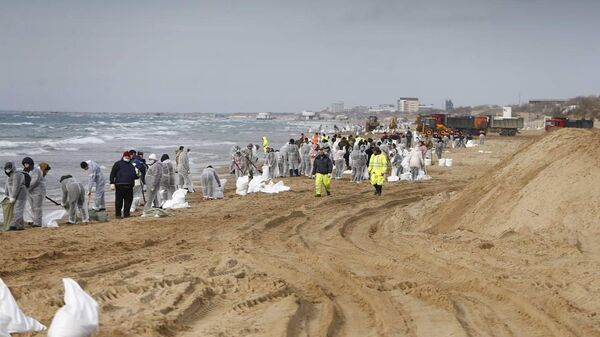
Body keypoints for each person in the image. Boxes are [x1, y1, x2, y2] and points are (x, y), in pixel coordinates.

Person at [109, 151, 137, 218]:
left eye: (128, 157)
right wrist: (112, 182)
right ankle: (118, 215)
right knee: (119, 201)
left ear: (129, 157)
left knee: (128, 201)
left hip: (129, 185)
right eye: (126, 156)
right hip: (119, 185)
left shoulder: (131, 165)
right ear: (123, 156)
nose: (127, 157)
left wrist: (138, 175)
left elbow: (135, 176)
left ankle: (126, 214)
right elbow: (112, 173)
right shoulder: (118, 164)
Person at [22, 157, 46, 227]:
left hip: (37, 191)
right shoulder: (26, 171)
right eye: (24, 164)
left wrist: (26, 188)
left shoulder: (36, 171)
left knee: (37, 207)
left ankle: (38, 223)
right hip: (29, 192)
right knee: (32, 207)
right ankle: (34, 221)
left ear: (30, 164)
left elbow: (34, 182)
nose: (25, 165)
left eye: (27, 164)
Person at [3, 162, 28, 230]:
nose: (7, 170)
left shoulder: (17, 175)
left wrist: (13, 197)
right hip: (13, 195)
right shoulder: (9, 176)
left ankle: (13, 226)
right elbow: (7, 186)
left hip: (21, 195)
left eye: (9, 168)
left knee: (17, 210)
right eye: (6, 169)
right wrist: (6, 195)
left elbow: (16, 187)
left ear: (12, 168)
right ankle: (20, 226)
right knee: (17, 210)